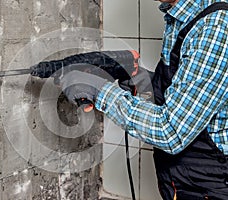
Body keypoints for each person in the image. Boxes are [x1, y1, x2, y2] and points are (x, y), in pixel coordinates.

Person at [59, 0, 228, 199]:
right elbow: (189, 92)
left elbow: (171, 131)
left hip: (210, 183)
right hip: (181, 179)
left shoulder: (216, 27)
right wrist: (145, 81)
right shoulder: (179, 15)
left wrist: (99, 91)